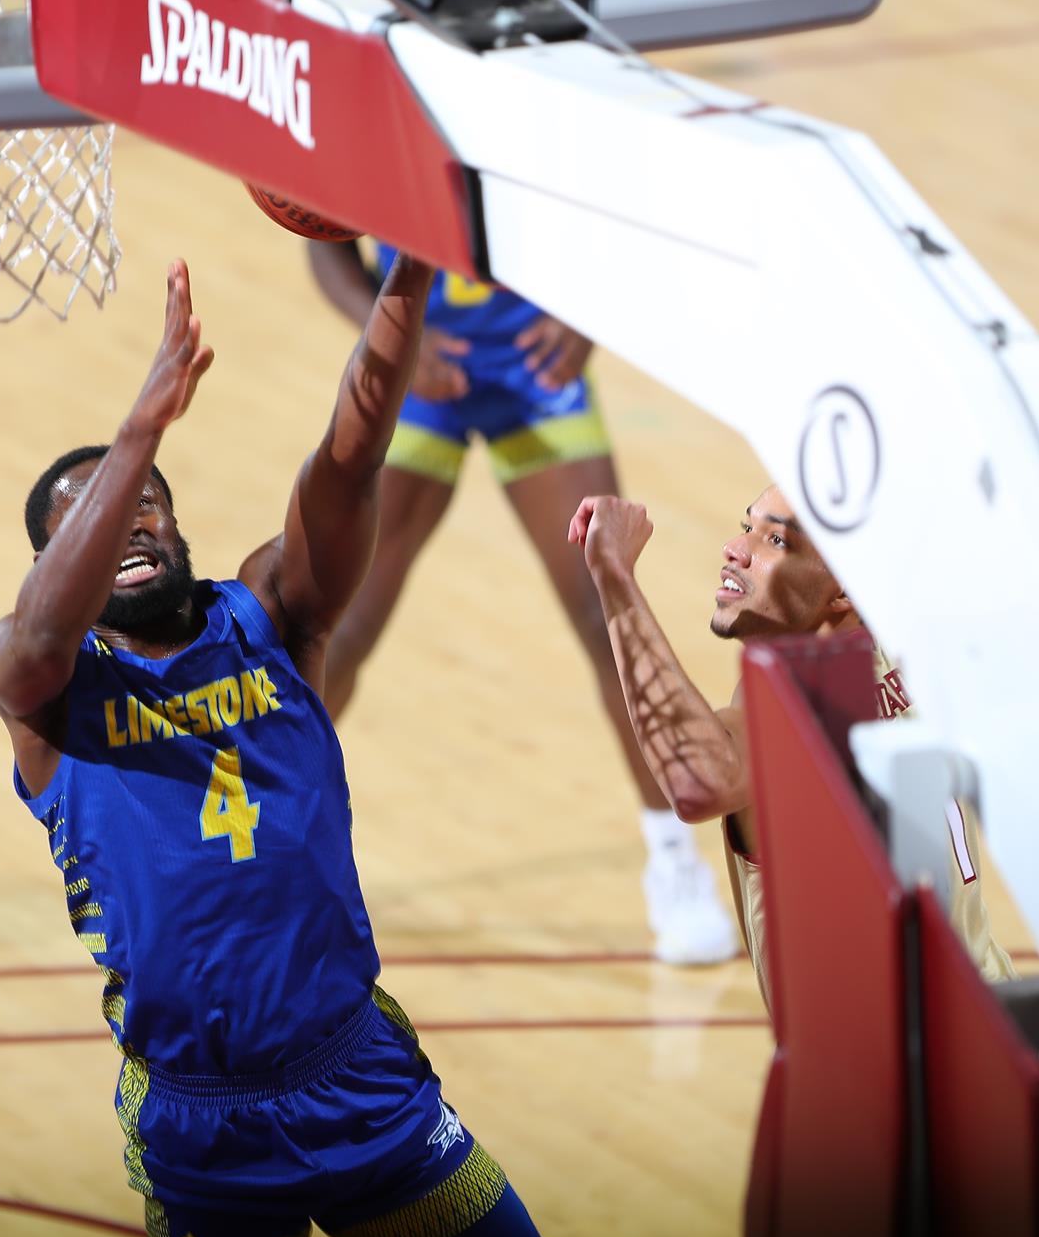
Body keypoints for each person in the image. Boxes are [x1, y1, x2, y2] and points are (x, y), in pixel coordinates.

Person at [0, 259, 568, 1237]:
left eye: (147, 505)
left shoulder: (272, 614)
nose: (131, 523)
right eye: (94, 520)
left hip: (354, 1079)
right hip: (197, 1120)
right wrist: (135, 437)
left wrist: (409, 280)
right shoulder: (44, 693)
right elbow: (34, 632)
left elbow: (348, 458)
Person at [307, 240, 737, 964]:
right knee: (341, 629)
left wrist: (588, 316)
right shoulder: (375, 124)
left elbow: (607, 203)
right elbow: (324, 246)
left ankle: (675, 862)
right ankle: (264, 855)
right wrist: (379, 327)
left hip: (534, 363)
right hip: (419, 362)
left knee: (607, 613)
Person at [569, 486, 1016, 1007]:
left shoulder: (800, 710)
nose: (736, 550)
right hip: (1002, 1020)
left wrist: (615, 579)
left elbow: (696, 782)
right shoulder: (906, 649)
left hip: (909, 1073)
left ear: (845, 591)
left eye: (776, 540)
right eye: (747, 526)